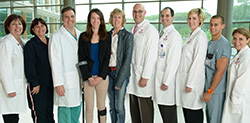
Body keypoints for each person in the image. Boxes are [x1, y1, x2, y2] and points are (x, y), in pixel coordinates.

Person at [48, 6, 81, 123]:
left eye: (72, 16)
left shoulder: (80, 34)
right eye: (66, 17)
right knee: (65, 112)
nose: (70, 19)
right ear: (62, 19)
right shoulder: (56, 36)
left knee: (76, 110)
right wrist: (58, 84)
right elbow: (54, 62)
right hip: (64, 81)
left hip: (78, 80)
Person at [127, 3, 158, 123]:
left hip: (142, 76)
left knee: (145, 110)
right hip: (133, 75)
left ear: (145, 13)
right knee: (134, 111)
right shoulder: (133, 29)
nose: (137, 14)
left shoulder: (150, 30)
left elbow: (151, 56)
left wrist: (145, 76)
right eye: (134, 12)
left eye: (140, 11)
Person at [78, 8, 111, 123]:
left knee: (101, 106)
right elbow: (81, 59)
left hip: (102, 78)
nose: (95, 21)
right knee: (89, 107)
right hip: (88, 78)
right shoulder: (83, 37)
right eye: (93, 18)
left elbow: (107, 58)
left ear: (101, 20)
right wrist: (88, 77)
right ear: (89, 20)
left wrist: (101, 77)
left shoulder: (106, 36)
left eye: (98, 18)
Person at [175, 8, 207, 123]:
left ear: (200, 20)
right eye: (189, 18)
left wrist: (190, 83)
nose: (191, 21)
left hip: (192, 84)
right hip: (185, 82)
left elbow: (197, 62)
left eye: (194, 18)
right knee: (187, 114)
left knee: (194, 114)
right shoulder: (191, 36)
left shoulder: (200, 37)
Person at [152, 7, 182, 123]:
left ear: (172, 18)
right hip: (159, 79)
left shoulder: (174, 36)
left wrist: (166, 81)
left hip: (166, 83)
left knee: (169, 116)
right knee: (163, 114)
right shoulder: (163, 34)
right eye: (162, 16)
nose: (164, 18)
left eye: (167, 16)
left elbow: (173, 61)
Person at [24, 18, 55, 123]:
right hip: (38, 85)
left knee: (49, 111)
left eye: (42, 26)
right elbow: (30, 65)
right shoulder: (31, 45)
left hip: (50, 83)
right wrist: (35, 83)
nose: (40, 28)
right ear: (33, 29)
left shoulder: (51, 42)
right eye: (37, 26)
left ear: (46, 28)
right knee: (39, 113)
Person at [202, 15, 231, 123]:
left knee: (214, 120)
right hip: (208, 87)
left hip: (216, 91)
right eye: (211, 24)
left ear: (222, 26)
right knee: (209, 118)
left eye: (216, 25)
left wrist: (210, 91)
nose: (212, 27)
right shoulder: (210, 43)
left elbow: (221, 71)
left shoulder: (223, 45)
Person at [107, 8, 133, 123]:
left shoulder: (128, 36)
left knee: (119, 106)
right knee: (111, 105)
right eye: (114, 17)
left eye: (119, 17)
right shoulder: (107, 35)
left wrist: (119, 80)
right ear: (111, 19)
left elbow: (127, 59)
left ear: (122, 20)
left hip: (120, 74)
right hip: (108, 73)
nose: (116, 20)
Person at [0, 14, 27, 123]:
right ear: (8, 27)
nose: (17, 26)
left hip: (19, 86)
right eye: (14, 24)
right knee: (10, 119)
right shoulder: (6, 43)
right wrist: (9, 88)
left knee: (15, 117)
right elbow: (3, 67)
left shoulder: (21, 42)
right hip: (10, 89)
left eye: (19, 24)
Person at [221, 27, 250, 123]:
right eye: (234, 38)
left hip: (239, 99)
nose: (237, 42)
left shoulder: (247, 56)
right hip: (232, 97)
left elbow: (243, 80)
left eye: (241, 39)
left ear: (248, 40)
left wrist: (235, 99)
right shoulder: (238, 55)